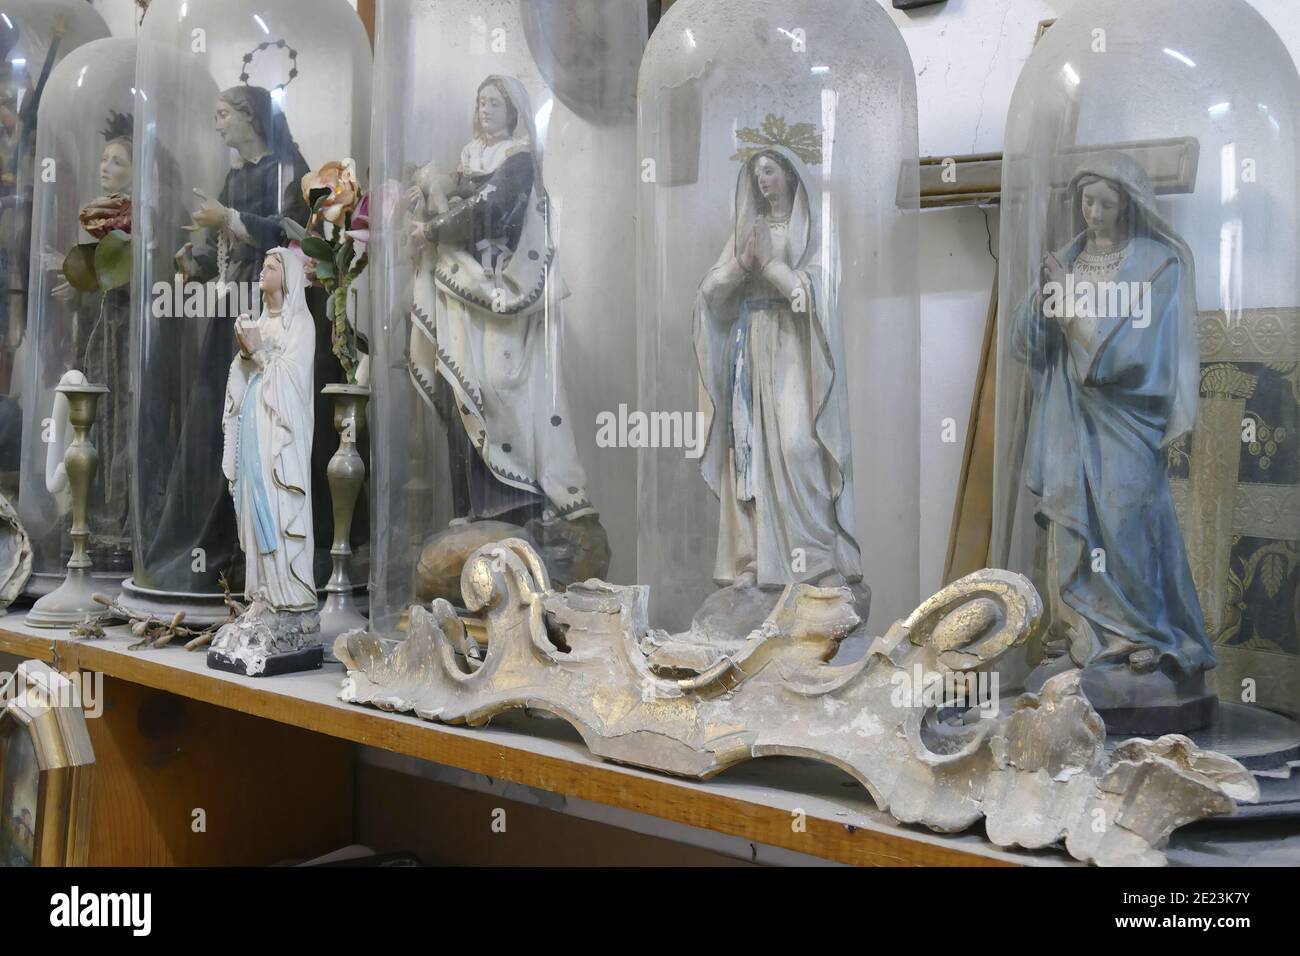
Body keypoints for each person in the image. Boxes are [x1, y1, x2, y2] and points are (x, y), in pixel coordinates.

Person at [1013, 151, 1212, 684]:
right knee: (1072, 528)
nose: (1093, 213)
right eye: (1086, 201)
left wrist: (1070, 309)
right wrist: (1042, 306)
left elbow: (1135, 357)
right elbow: (1026, 345)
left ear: (1128, 205)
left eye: (1105, 202)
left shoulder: (1157, 265)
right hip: (1067, 419)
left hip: (1128, 417)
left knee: (1128, 520)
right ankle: (1080, 635)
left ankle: (1146, 634)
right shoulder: (1066, 259)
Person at [406, 75, 595, 527]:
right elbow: (451, 189)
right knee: (456, 383)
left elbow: (490, 206)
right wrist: (426, 190)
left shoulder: (518, 160)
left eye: (495, 102)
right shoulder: (469, 159)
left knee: (497, 383)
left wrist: (435, 227)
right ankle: (470, 507)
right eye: (481, 101)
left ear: (514, 113)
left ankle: (516, 498)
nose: (485, 109)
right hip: (459, 291)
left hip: (499, 288)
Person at [693, 146, 860, 591]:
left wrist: (773, 268)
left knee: (796, 445)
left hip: (794, 350)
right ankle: (753, 560)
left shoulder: (812, 229)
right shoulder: (749, 230)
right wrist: (743, 264)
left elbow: (816, 296)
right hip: (750, 348)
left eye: (769, 170)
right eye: (755, 173)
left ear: (789, 173)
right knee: (749, 456)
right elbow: (710, 294)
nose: (762, 180)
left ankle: (816, 558)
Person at [221, 248, 315, 610]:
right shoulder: (262, 322)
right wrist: (246, 354)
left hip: (279, 431)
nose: (263, 271)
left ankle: (286, 592)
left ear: (287, 277)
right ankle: (260, 591)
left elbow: (294, 382)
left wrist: (257, 352)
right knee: (250, 495)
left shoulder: (301, 325)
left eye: (272, 266)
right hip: (253, 422)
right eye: (263, 265)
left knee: (276, 500)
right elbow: (245, 374)